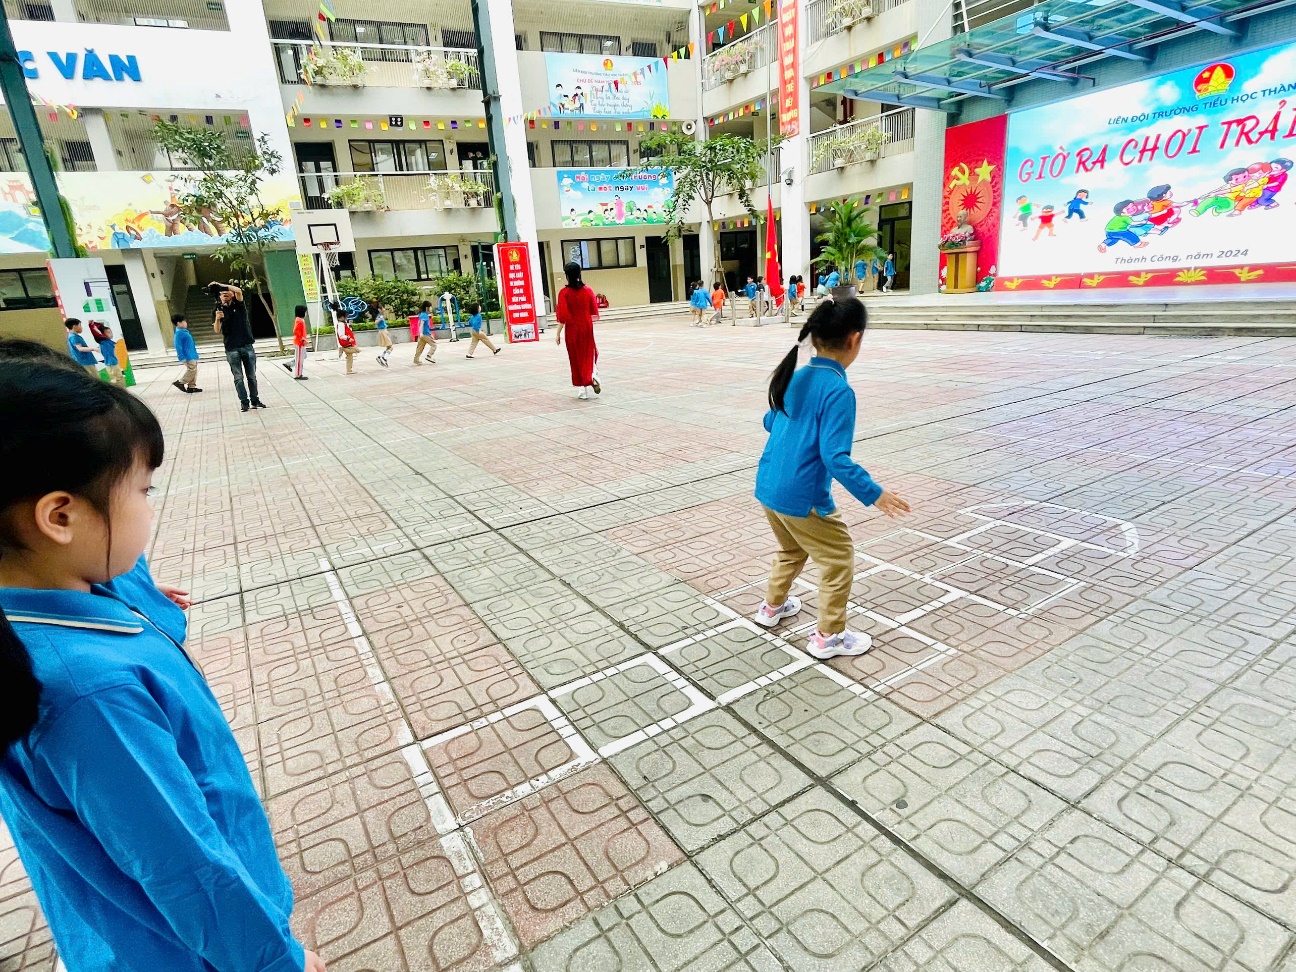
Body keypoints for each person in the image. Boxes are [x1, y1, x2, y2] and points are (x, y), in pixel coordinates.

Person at [0, 361, 326, 972]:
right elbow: (184, 866)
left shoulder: (47, 604)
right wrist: (278, 963)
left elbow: (131, 588)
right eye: (142, 492)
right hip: (193, 951)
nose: (148, 512)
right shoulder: (91, 696)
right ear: (60, 517)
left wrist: (145, 598)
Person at [752, 298, 910, 659]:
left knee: (791, 550)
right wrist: (875, 493)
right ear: (855, 339)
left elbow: (770, 421)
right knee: (837, 560)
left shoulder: (796, 374)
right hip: (803, 496)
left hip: (769, 487)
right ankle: (829, 637)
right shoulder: (838, 389)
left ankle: (771, 608)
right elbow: (834, 457)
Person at [210, 281, 264, 412]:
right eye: (222, 293)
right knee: (238, 377)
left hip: (247, 345)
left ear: (232, 294)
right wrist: (217, 319)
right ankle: (244, 402)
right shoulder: (217, 310)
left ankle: (255, 400)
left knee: (251, 376)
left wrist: (220, 284)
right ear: (219, 297)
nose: (225, 294)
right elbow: (217, 330)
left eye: (227, 292)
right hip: (231, 348)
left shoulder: (239, 305)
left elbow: (239, 290)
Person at [555, 261, 600, 400]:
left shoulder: (564, 293)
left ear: (567, 275)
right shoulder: (588, 291)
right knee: (588, 353)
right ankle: (592, 375)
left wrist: (558, 333)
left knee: (575, 357)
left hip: (572, 328)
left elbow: (563, 316)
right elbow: (593, 310)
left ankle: (582, 390)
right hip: (586, 326)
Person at [170, 313, 201, 393]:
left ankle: (191, 386)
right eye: (184, 321)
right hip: (187, 356)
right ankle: (180, 382)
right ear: (178, 323)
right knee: (192, 370)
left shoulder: (184, 331)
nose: (186, 323)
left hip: (192, 354)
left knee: (194, 370)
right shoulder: (179, 333)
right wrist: (181, 357)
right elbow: (178, 346)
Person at [89, 322, 124, 387]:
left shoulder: (108, 342)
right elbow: (96, 332)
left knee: (118, 378)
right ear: (102, 334)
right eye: (108, 332)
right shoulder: (104, 342)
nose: (111, 334)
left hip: (113, 362)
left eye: (110, 332)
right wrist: (92, 324)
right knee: (117, 378)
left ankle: (120, 390)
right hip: (111, 363)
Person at [284, 304, 308, 380]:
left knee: (303, 356)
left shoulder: (301, 320)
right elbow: (295, 331)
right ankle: (298, 374)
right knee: (299, 359)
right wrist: (302, 338)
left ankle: (289, 364)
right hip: (300, 342)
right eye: (305, 312)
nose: (306, 313)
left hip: (301, 342)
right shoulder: (299, 320)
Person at [414, 301, 437, 366]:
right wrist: (421, 333)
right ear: (427, 308)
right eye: (430, 307)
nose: (431, 308)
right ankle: (429, 355)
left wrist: (420, 333)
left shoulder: (421, 314)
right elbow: (421, 324)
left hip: (422, 335)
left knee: (420, 347)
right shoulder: (425, 315)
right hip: (425, 334)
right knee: (434, 345)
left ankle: (416, 359)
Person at [372, 302, 393, 367]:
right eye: (383, 308)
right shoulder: (379, 316)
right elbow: (375, 322)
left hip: (384, 331)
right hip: (382, 332)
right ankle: (384, 358)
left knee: (389, 347)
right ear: (379, 309)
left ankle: (382, 357)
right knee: (390, 347)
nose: (384, 309)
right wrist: (380, 318)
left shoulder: (381, 316)